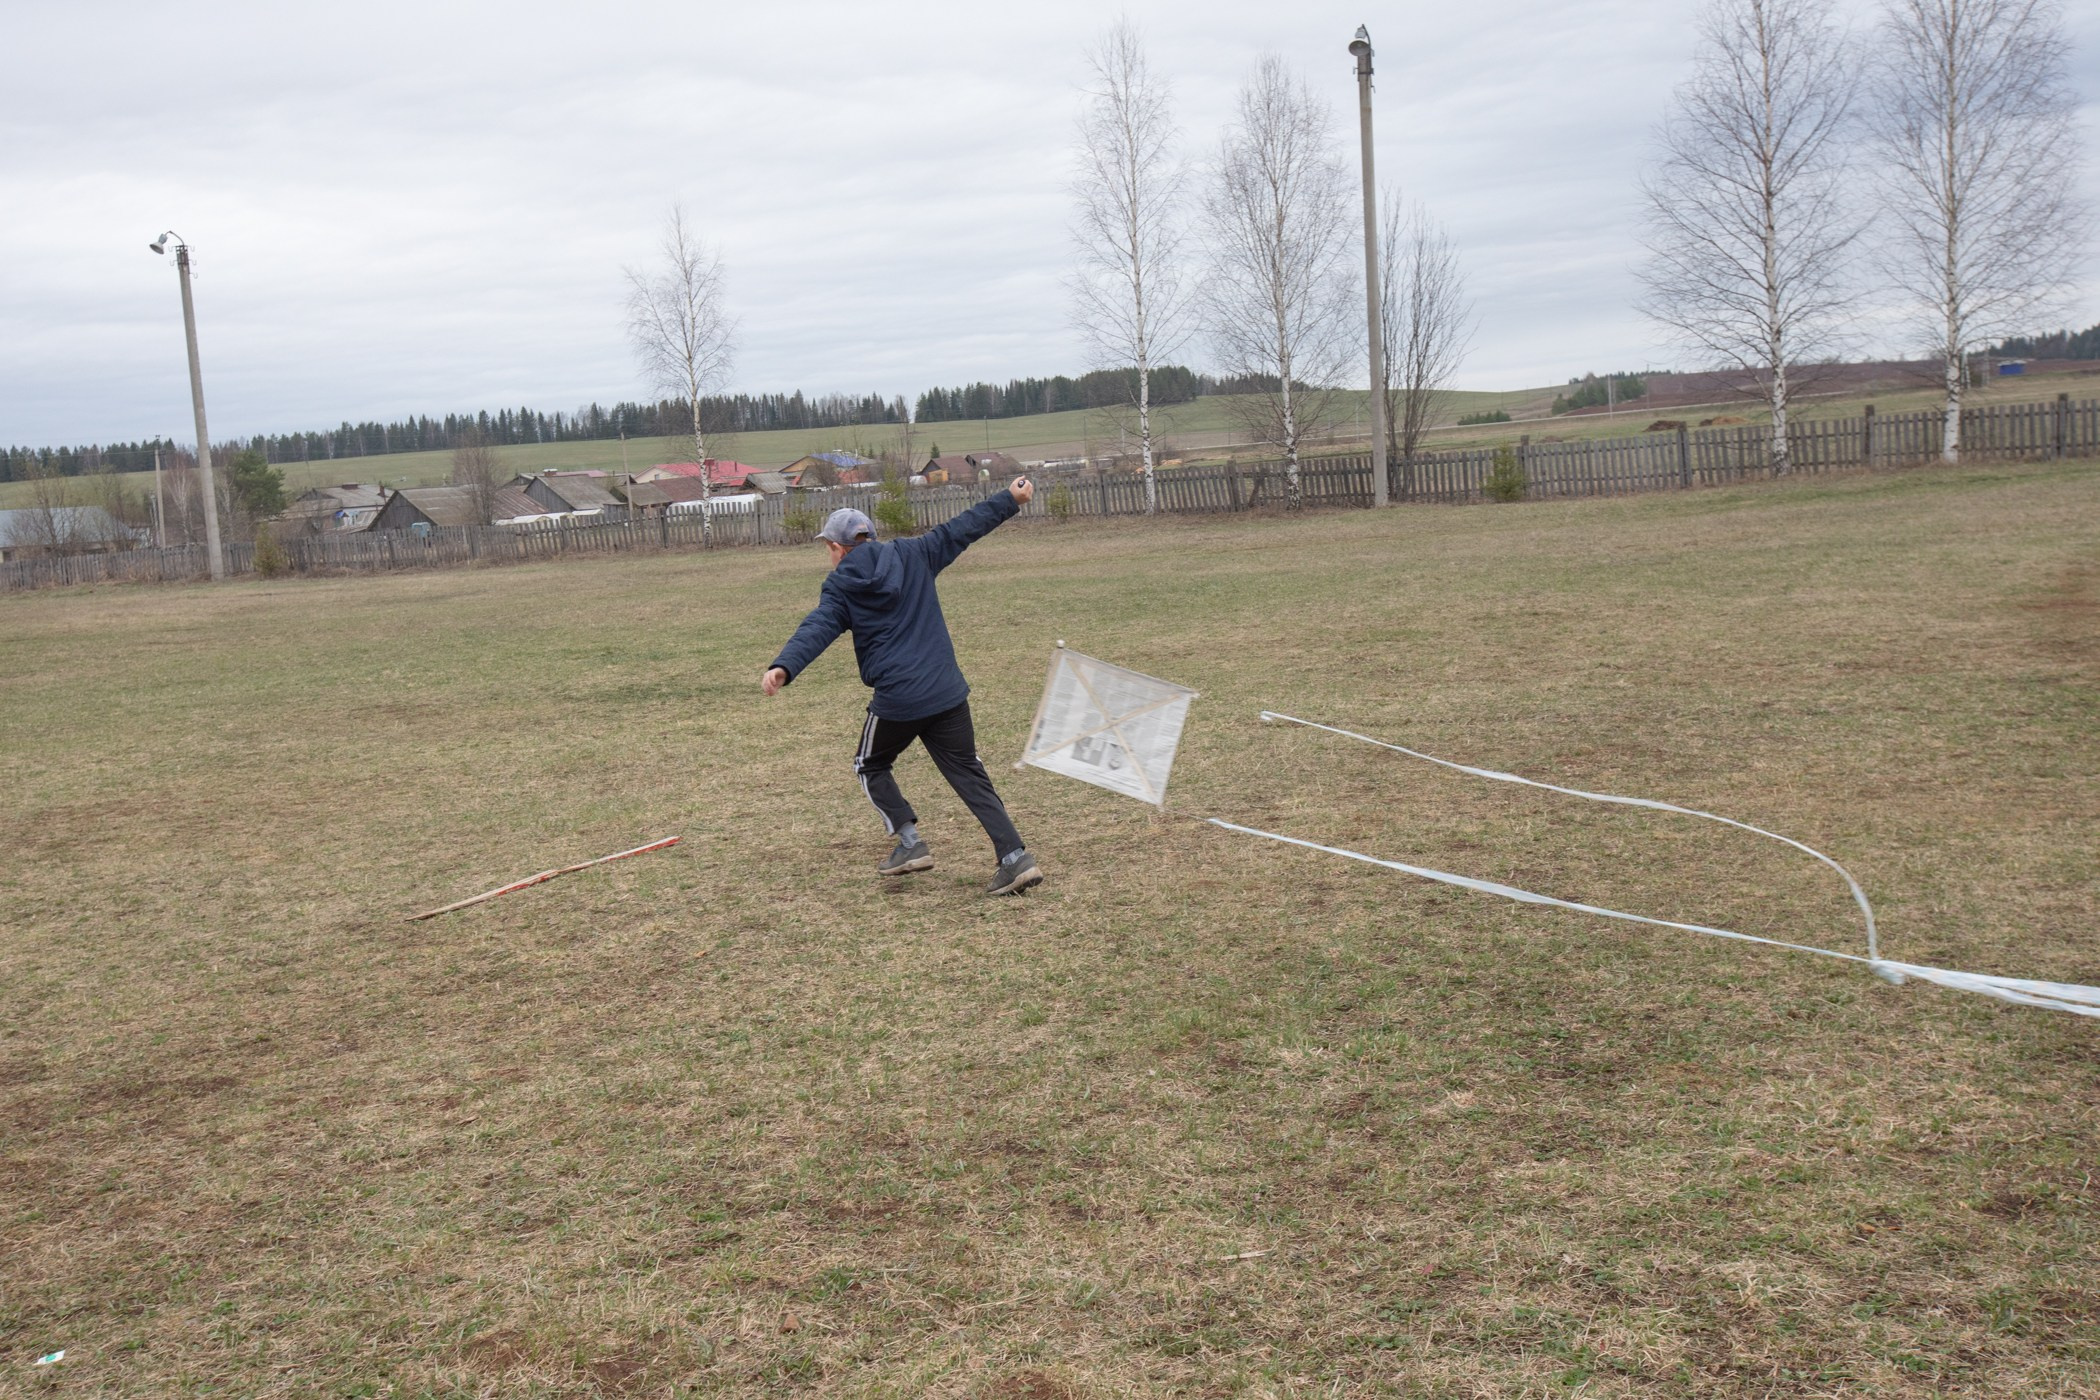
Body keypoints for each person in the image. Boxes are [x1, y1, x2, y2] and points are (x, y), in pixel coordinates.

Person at [761, 478, 1044, 896]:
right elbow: (964, 527)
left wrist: (784, 666)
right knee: (968, 771)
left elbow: (818, 626)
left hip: (899, 699)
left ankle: (911, 844)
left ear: (838, 548)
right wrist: (1011, 499)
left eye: (828, 549)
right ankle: (1014, 857)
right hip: (946, 690)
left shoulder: (840, 586)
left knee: (869, 764)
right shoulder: (916, 553)